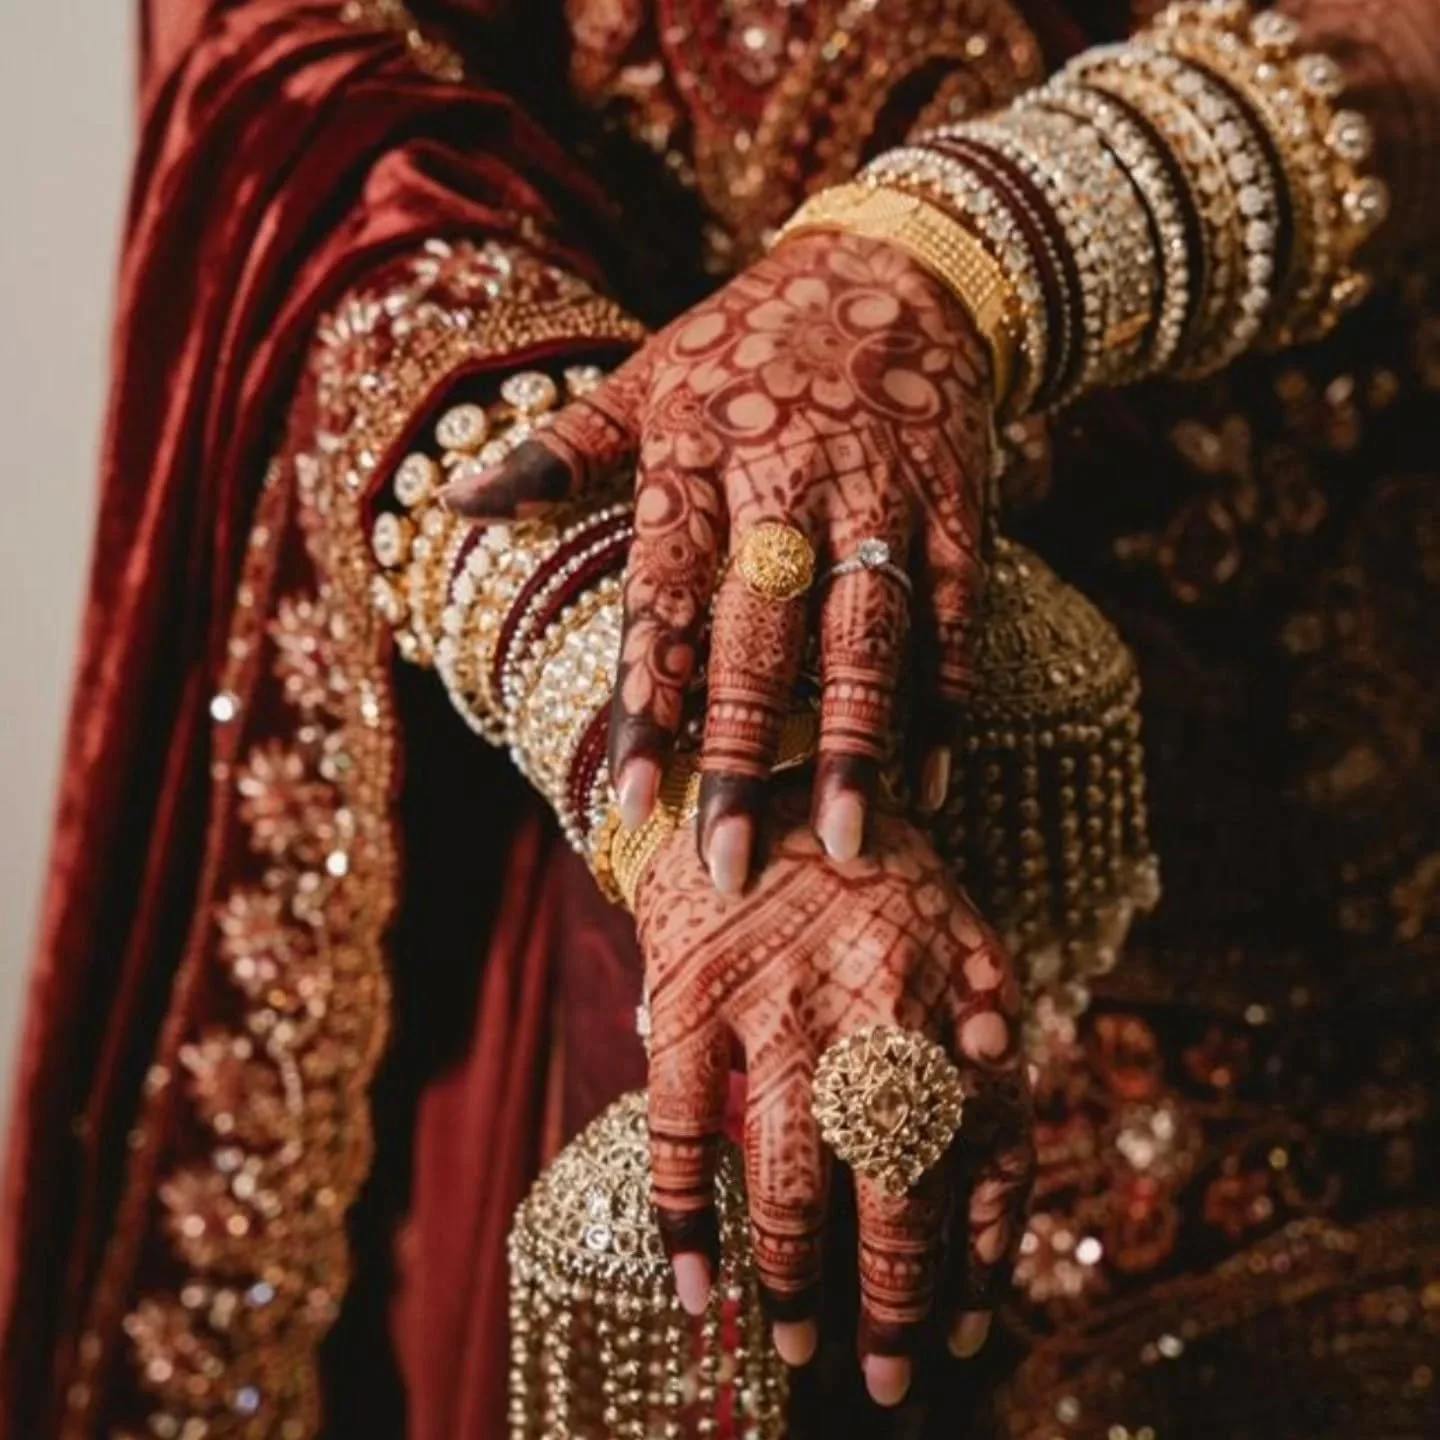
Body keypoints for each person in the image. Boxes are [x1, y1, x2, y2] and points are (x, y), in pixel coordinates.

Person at [2, 0, 1438, 1435]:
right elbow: (308, 114)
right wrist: (687, 761)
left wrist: (964, 251)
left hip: (1353, 764)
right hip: (704, 932)